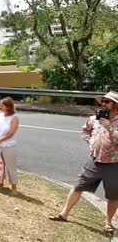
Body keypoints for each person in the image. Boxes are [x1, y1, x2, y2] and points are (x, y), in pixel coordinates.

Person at [49, 91, 118, 233]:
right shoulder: (94, 118)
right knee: (79, 186)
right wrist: (91, 141)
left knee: (113, 194)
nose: (103, 104)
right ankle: (64, 214)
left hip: (113, 163)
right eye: (102, 101)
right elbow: (85, 131)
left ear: (115, 105)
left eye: (107, 101)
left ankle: (108, 223)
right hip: (95, 161)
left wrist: (109, 128)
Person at [0, 97, 20, 193]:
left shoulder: (14, 118)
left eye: (2, 105)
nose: (0, 106)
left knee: (10, 166)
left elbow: (11, 133)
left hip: (9, 145)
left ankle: (14, 187)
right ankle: (0, 182)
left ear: (8, 107)